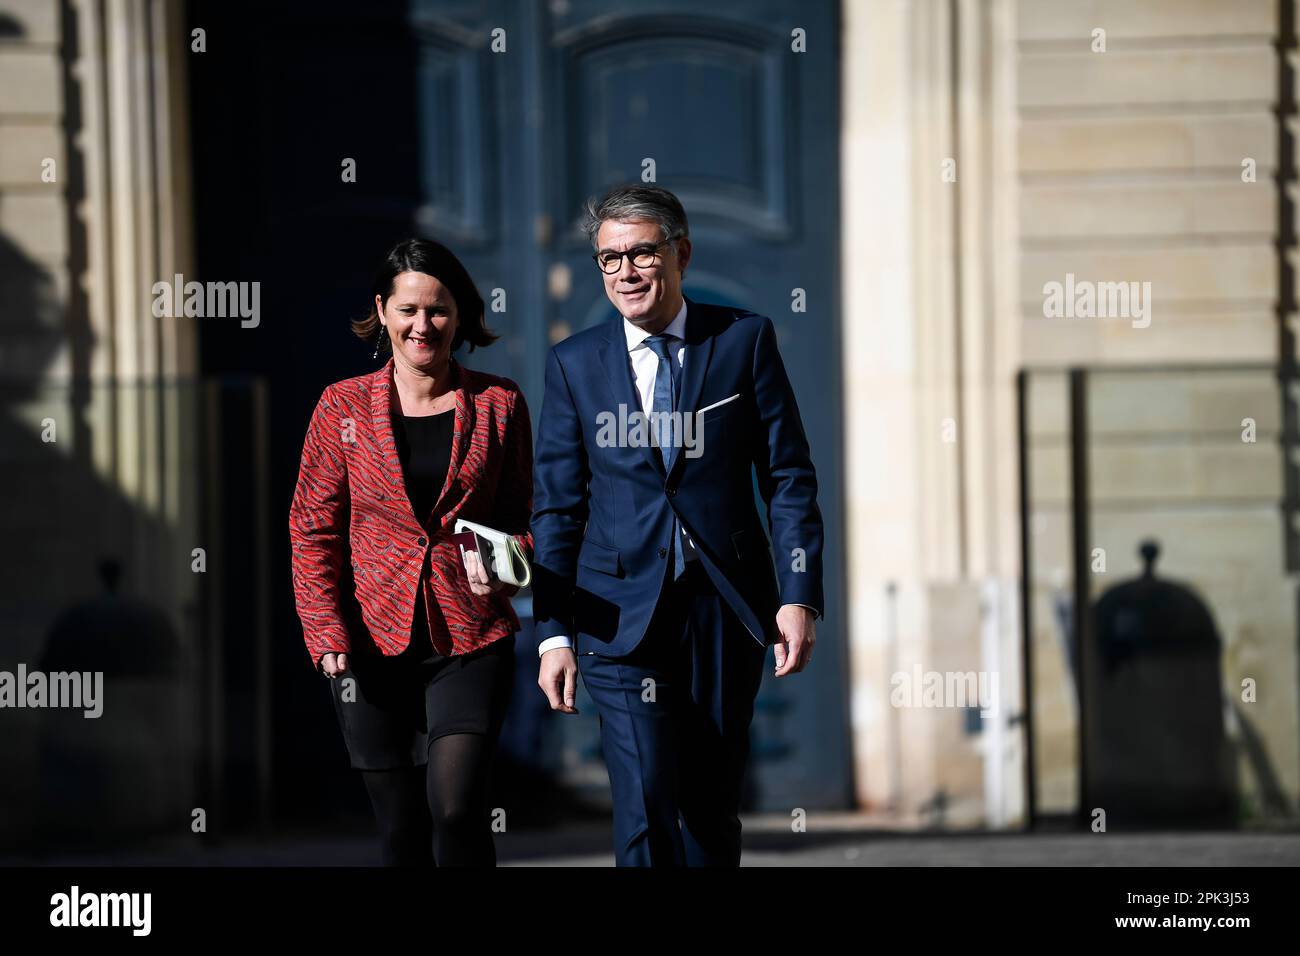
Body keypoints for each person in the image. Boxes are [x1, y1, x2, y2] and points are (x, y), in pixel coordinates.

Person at [532, 184, 824, 866]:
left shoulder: (743, 342)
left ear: (681, 253)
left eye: (641, 253)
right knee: (644, 798)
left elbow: (787, 476)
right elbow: (557, 505)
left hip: (722, 608)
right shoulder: (574, 364)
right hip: (615, 613)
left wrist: (798, 592)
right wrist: (551, 632)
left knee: (709, 809)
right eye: (609, 259)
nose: (625, 272)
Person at [289, 237, 533, 866]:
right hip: (368, 638)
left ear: (461, 314)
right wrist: (324, 628)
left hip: (470, 634)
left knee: (455, 812)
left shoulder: (499, 404)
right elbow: (312, 528)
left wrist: (509, 565)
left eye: (438, 310)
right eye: (408, 310)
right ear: (383, 310)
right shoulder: (339, 407)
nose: (422, 325)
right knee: (401, 832)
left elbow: (526, 520)